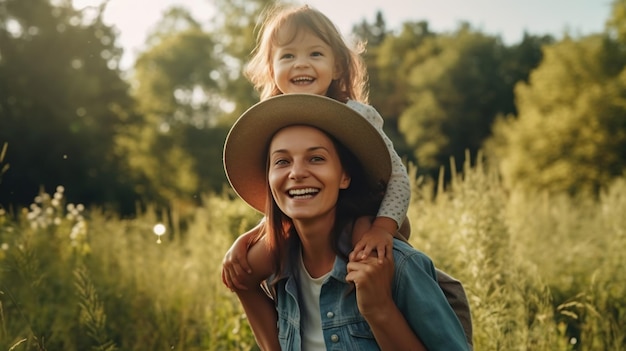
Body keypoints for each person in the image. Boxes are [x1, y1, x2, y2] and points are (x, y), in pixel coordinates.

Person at [223, 93, 470, 350]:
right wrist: (243, 283)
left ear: (344, 176)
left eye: (316, 158)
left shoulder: (397, 266)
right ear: (269, 180)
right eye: (282, 162)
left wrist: (379, 309)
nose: (296, 173)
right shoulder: (279, 267)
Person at [221, 3, 412, 290]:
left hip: (364, 213)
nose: (301, 63)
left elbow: (397, 179)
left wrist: (383, 229)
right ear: (272, 69)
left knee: (363, 238)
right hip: (309, 219)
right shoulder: (277, 123)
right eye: (288, 55)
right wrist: (251, 236)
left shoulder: (356, 115)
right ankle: (288, 320)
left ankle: (387, 306)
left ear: (336, 66)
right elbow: (287, 194)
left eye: (315, 53)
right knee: (250, 263)